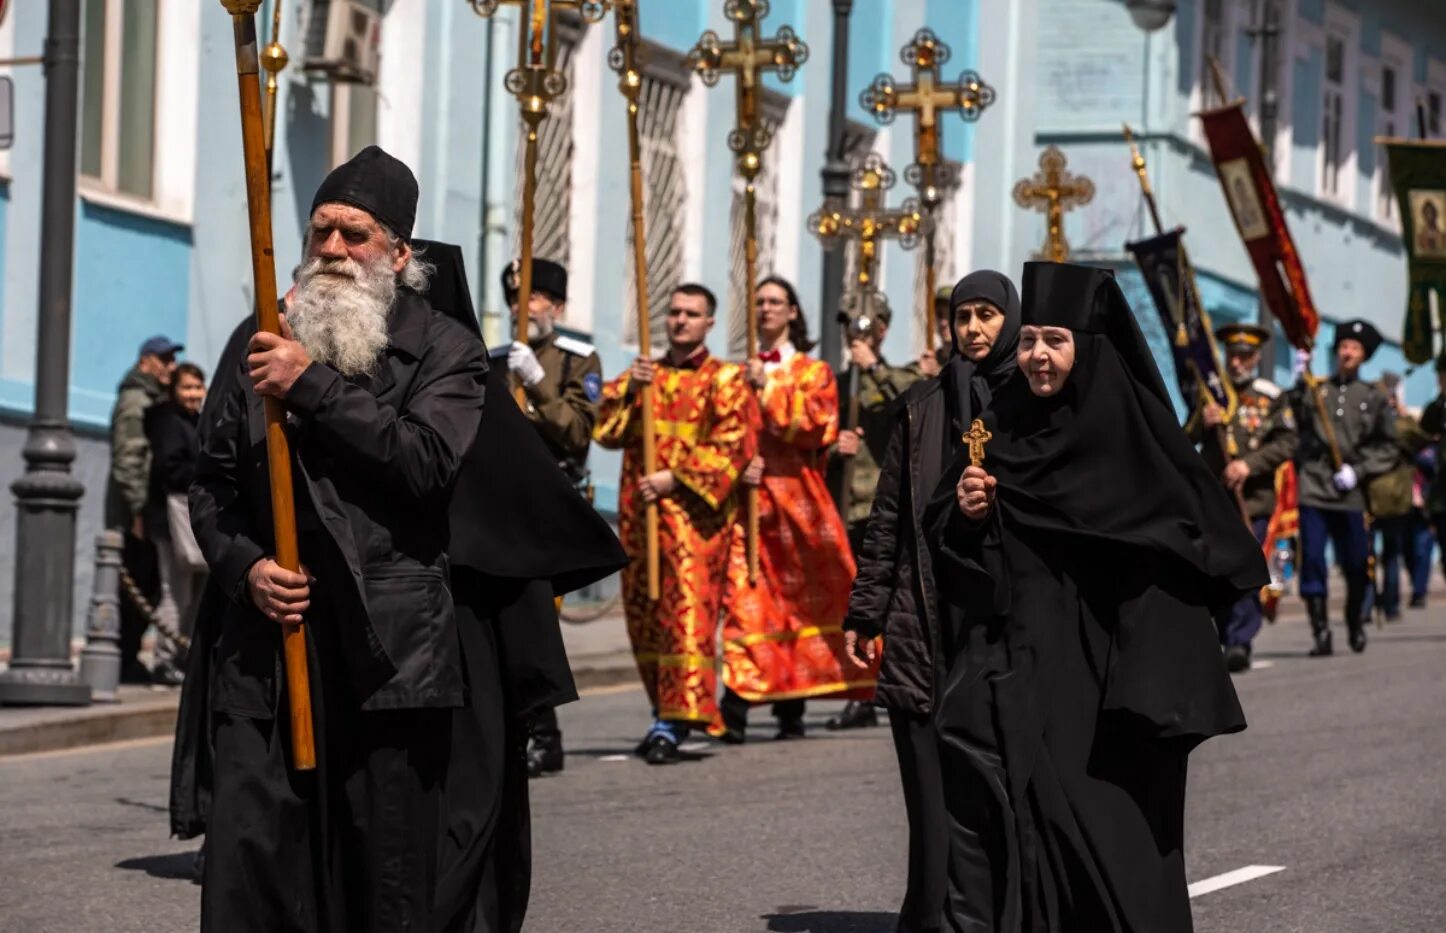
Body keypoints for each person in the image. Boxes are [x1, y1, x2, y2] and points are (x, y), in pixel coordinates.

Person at [190, 146, 488, 930]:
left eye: (354, 235)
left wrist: (310, 386)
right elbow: (211, 481)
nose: (331, 250)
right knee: (251, 863)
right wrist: (247, 567)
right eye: (321, 230)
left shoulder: (447, 352)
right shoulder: (258, 338)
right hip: (271, 644)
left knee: (381, 873)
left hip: (388, 651)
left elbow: (425, 464)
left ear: (399, 253)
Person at [927, 262, 1263, 932]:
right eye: (1028, 341)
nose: (1038, 354)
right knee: (1033, 822)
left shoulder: (1135, 439)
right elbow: (958, 544)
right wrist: (967, 513)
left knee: (1116, 836)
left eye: (1055, 339)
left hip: (1115, 682)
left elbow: (1198, 547)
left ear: (1090, 345)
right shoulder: (1003, 430)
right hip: (1025, 666)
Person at [843, 270, 1020, 933]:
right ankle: (931, 915)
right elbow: (889, 515)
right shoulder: (922, 405)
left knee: (988, 775)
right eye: (962, 315)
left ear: (1011, 320)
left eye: (986, 315)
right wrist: (866, 609)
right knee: (927, 778)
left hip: (997, 620)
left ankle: (1001, 910)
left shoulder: (1027, 399)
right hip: (926, 609)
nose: (972, 328)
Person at [593, 283, 760, 764]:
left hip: (695, 522)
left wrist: (676, 478)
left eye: (693, 313)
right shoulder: (646, 375)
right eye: (675, 312)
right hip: (641, 517)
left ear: (710, 322)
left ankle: (677, 718)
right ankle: (660, 708)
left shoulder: (726, 379)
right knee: (646, 616)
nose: (681, 320)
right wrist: (628, 387)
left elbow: (735, 443)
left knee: (686, 616)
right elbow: (606, 430)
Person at [716, 275, 873, 742]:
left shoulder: (812, 372)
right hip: (745, 505)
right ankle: (737, 706)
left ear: (791, 312)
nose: (765, 308)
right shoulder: (732, 374)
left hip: (796, 506)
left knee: (796, 607)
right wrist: (733, 464)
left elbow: (816, 425)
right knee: (745, 602)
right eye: (759, 301)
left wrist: (766, 390)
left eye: (775, 301)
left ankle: (791, 706)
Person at [499, 256, 602, 777]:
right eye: (516, 297)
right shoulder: (494, 358)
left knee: (539, 622)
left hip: (550, 504)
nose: (523, 306)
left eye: (535, 297)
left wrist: (536, 381)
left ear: (556, 306)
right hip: (501, 505)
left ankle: (547, 737)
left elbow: (579, 432)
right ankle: (515, 733)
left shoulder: (577, 360)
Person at [827, 300, 922, 731]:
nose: (857, 337)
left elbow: (911, 408)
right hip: (844, 504)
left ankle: (887, 683)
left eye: (867, 327)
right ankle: (859, 689)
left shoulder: (901, 376)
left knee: (884, 604)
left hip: (881, 504)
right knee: (851, 608)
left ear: (883, 330)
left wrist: (876, 368)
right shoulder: (837, 383)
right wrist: (833, 446)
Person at [1288, 319, 1397, 656]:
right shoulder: (1317, 390)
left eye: (1355, 347)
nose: (1347, 352)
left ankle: (1353, 620)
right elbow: (1295, 418)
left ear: (1364, 355)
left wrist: (1359, 469)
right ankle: (1321, 631)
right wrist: (1298, 381)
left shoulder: (1373, 397)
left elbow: (1388, 446)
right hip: (1315, 485)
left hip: (1350, 490)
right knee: (1314, 561)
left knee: (1354, 563)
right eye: (1344, 346)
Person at [1192, 323, 1296, 672]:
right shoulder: (1208, 393)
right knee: (1217, 570)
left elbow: (1286, 442)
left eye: (1244, 356)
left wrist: (1249, 465)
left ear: (1255, 359)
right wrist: (1201, 421)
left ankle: (1240, 640)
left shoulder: (1270, 396)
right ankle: (1223, 633)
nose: (1237, 362)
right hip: (1214, 498)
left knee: (1247, 569)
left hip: (1251, 500)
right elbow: (1181, 435)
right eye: (1232, 355)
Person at [105, 334, 181, 683]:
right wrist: (136, 510)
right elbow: (129, 457)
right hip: (135, 515)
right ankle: (124, 660)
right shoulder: (136, 399)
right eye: (164, 360)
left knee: (147, 585)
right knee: (135, 584)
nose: (171, 367)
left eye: (172, 360)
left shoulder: (155, 397)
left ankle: (128, 658)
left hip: (149, 511)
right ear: (145, 362)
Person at [142, 362, 208, 686]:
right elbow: (172, 471)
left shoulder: (196, 422)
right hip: (171, 521)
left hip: (189, 518)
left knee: (193, 597)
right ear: (174, 391)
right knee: (175, 594)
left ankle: (182, 657)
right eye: (187, 387)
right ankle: (164, 661)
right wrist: (206, 469)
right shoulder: (170, 423)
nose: (193, 393)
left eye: (198, 387)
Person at [1367, 375, 1434, 620]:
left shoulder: (1368, 424)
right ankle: (1391, 605)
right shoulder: (1401, 425)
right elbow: (1425, 438)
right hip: (1395, 496)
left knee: (1368, 552)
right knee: (1392, 553)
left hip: (1370, 495)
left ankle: (1366, 605)